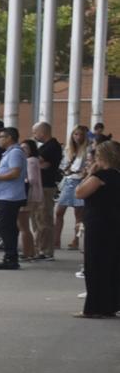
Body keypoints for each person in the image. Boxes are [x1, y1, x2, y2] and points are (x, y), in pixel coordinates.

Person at [73, 140, 120, 317]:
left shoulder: (101, 177)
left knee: (95, 264)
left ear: (102, 157)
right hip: (114, 222)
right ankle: (110, 305)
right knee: (111, 264)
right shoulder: (117, 175)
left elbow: (79, 192)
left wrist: (89, 175)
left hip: (99, 224)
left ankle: (94, 307)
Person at [0, 128, 28, 270]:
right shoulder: (9, 153)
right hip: (4, 194)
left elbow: (15, 173)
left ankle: (10, 257)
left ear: (9, 138)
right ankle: (10, 256)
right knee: (8, 226)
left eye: (1, 137)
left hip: (9, 196)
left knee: (5, 226)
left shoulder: (15, 152)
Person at [56, 125, 92, 253]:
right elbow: (63, 165)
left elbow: (89, 166)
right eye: (76, 134)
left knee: (79, 214)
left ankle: (75, 240)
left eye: (81, 134)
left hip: (80, 181)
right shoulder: (69, 149)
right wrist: (66, 170)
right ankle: (56, 240)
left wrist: (83, 172)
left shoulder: (88, 149)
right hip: (69, 180)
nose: (78, 137)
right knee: (59, 211)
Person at [31, 121, 64, 260]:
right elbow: (38, 163)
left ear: (42, 132)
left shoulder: (52, 146)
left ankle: (45, 250)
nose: (34, 135)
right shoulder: (45, 146)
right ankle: (38, 248)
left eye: (35, 132)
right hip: (40, 186)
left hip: (46, 186)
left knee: (44, 219)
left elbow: (38, 162)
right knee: (38, 219)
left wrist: (36, 161)